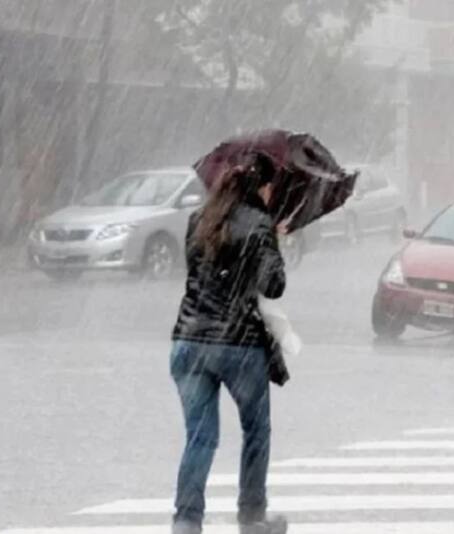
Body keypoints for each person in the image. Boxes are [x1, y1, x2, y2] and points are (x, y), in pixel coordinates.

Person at [170, 152, 288, 534]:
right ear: (262, 187)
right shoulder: (258, 224)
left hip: (188, 341)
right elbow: (274, 286)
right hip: (237, 344)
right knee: (256, 429)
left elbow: (202, 275)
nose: (273, 194)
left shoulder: (198, 221)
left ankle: (187, 521)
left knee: (200, 438)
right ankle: (252, 516)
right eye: (271, 187)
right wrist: (273, 243)